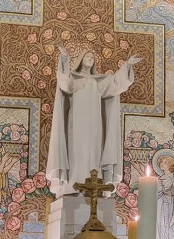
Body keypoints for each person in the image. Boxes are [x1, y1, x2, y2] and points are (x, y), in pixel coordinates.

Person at [46, 46, 141, 197]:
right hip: (76, 126)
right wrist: (64, 58)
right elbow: (64, 82)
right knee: (76, 153)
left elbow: (116, 83)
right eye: (87, 56)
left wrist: (127, 65)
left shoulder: (99, 82)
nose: (90, 58)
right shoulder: (73, 79)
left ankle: (94, 187)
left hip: (95, 126)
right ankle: (73, 185)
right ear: (81, 60)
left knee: (94, 152)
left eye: (92, 57)